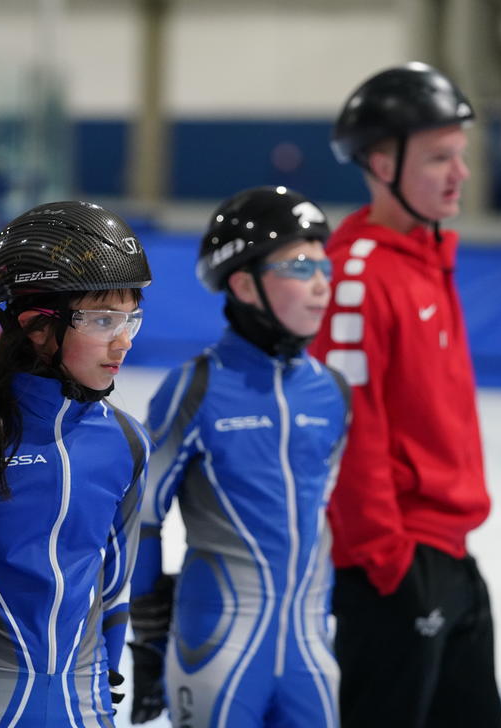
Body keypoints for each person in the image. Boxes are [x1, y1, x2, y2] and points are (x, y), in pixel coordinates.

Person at [310, 62, 501, 727]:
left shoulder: (427, 256)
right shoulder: (357, 275)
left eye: (462, 155)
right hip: (395, 567)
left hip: (450, 554)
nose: (461, 174)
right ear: (379, 161)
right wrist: (384, 562)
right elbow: (346, 429)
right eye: (439, 158)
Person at [128, 186, 349, 728]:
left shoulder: (333, 393)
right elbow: (143, 520)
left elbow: (318, 518)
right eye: (300, 266)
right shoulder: (194, 389)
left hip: (311, 649)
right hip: (219, 648)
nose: (322, 285)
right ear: (244, 283)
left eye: (325, 266)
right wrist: (149, 638)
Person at [0, 200, 152, 727]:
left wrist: (105, 682)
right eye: (102, 320)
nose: (122, 340)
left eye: (131, 319)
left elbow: (116, 589)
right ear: (36, 325)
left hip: (86, 704)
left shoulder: (125, 441)